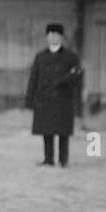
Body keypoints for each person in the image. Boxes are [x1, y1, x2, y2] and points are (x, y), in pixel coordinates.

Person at [24, 23, 83, 167]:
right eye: (50, 34)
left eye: (56, 34)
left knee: (63, 132)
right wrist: (30, 99)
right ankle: (48, 159)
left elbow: (78, 77)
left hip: (63, 99)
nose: (53, 37)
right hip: (45, 99)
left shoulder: (71, 57)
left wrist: (66, 80)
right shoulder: (40, 57)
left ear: (61, 37)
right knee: (47, 131)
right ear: (47, 37)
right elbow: (33, 78)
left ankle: (63, 160)